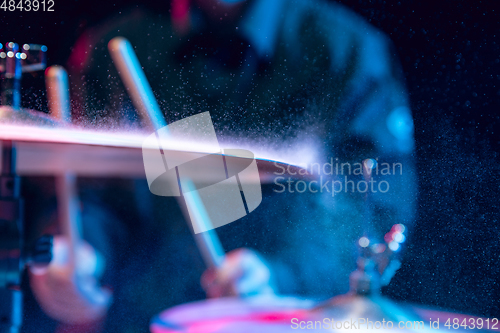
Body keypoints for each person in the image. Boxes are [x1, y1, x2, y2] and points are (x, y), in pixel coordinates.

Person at [28, 0, 417, 331]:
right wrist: (81, 251)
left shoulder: (345, 52)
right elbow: (95, 197)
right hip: (140, 320)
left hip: (290, 324)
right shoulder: (116, 44)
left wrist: (280, 273)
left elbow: (373, 207)